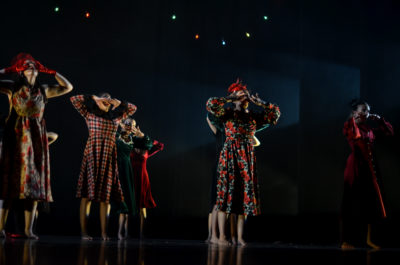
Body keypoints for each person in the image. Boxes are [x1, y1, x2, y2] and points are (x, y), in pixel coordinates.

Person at [0, 53, 73, 239]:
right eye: (27, 66)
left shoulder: (44, 90)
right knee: (9, 185)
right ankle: (0, 227)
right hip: (16, 139)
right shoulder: (12, 87)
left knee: (33, 186)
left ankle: (28, 230)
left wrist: (52, 71)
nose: (31, 67)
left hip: (35, 142)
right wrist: (7, 70)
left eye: (34, 66)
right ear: (21, 71)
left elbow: (68, 87)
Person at [206, 79, 280, 246]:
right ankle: (221, 237)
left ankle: (239, 238)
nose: (245, 98)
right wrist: (230, 98)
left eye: (246, 96)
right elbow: (211, 105)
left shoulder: (253, 117)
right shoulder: (227, 114)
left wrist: (261, 103)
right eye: (242, 95)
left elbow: (274, 115)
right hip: (230, 158)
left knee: (242, 199)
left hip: (246, 159)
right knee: (225, 198)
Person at [70, 93, 136, 240]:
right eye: (104, 98)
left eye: (109, 99)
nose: (107, 101)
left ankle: (104, 233)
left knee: (105, 198)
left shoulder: (116, 118)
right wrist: (96, 98)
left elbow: (133, 108)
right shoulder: (89, 114)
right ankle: (84, 233)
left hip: (108, 157)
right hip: (93, 155)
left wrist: (117, 101)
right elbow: (74, 99)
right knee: (87, 196)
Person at [341, 99, 394, 249]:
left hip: (369, 168)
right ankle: (347, 240)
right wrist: (353, 120)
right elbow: (356, 136)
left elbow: (389, 132)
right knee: (352, 203)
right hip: (356, 167)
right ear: (354, 112)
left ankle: (369, 239)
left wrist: (380, 120)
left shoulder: (368, 129)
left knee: (370, 204)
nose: (367, 113)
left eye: (368, 110)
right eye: (364, 110)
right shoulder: (349, 126)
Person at [129, 121, 164, 239]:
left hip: (143, 179)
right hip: (131, 179)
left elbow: (160, 145)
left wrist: (143, 135)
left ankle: (141, 233)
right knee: (127, 206)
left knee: (142, 207)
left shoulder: (146, 150)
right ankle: (123, 232)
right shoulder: (129, 147)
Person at [115, 118, 136, 240]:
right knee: (121, 201)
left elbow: (150, 144)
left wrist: (140, 134)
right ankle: (118, 232)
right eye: (127, 124)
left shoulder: (133, 139)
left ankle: (126, 232)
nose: (129, 126)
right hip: (118, 168)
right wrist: (121, 125)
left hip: (128, 170)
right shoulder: (117, 135)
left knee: (127, 201)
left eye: (131, 125)